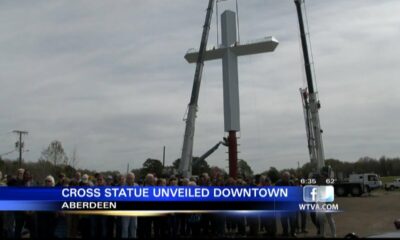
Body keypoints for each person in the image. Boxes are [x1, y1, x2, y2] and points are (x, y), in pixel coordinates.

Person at [275, 171, 296, 237]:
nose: (287, 178)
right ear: (282, 177)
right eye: (285, 177)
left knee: (292, 220)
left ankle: (293, 232)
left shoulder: (291, 183)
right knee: (284, 220)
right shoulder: (278, 183)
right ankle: (285, 232)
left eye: (288, 177)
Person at [121, 173, 138, 238]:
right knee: (125, 228)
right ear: (126, 179)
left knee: (134, 226)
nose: (130, 179)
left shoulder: (137, 186)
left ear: (134, 179)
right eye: (128, 178)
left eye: (131, 178)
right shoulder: (123, 187)